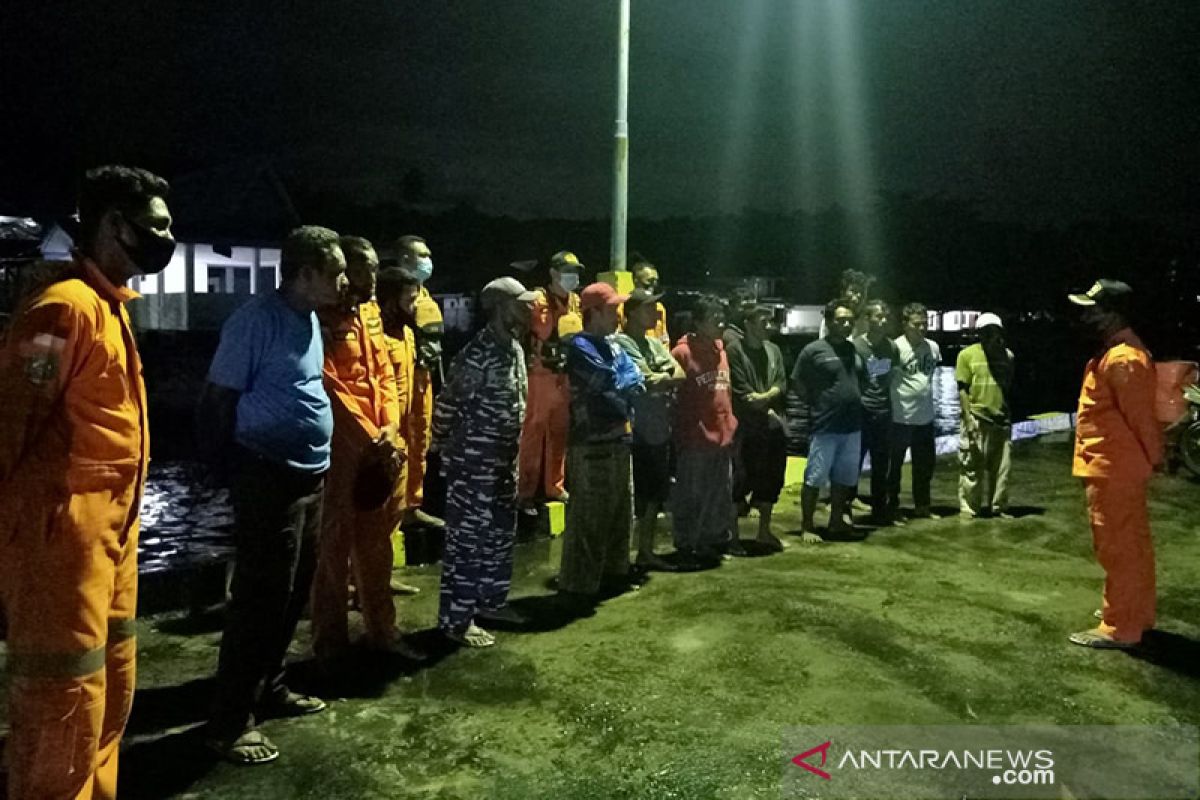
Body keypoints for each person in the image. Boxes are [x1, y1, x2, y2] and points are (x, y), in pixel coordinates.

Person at [0, 166, 171, 799]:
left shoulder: (107, 307)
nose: (168, 236)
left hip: (109, 545)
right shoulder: (62, 311)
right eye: (155, 225)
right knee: (61, 708)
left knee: (108, 693)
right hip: (59, 553)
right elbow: (10, 425)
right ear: (113, 226)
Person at [198, 226, 345, 765]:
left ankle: (271, 686)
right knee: (260, 600)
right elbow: (216, 400)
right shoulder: (253, 321)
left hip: (309, 477)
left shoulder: (308, 318)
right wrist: (224, 474)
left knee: (293, 591)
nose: (344, 281)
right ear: (304, 274)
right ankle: (229, 721)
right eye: (335, 272)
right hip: (266, 477)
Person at [310, 236, 415, 665]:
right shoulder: (319, 318)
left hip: (380, 445)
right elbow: (329, 383)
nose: (371, 279)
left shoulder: (371, 313)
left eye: (374, 269)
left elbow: (384, 374)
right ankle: (330, 646)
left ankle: (382, 632)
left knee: (377, 546)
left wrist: (390, 426)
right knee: (332, 550)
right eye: (361, 271)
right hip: (343, 448)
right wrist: (371, 434)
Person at [431, 277, 536, 647]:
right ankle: (455, 620)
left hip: (503, 462)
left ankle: (490, 602)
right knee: (468, 541)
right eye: (520, 304)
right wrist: (442, 443)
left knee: (499, 537)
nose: (528, 309)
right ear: (498, 308)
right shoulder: (479, 353)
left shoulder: (515, 349)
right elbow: (447, 405)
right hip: (474, 464)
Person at [1067, 280, 1163, 649]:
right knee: (1133, 544)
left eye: (1094, 309)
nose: (1086, 316)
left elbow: (1141, 419)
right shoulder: (1117, 354)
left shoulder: (1122, 359)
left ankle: (1121, 626)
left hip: (1113, 470)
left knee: (1118, 546)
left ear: (1114, 313)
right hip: (1116, 467)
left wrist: (1155, 458)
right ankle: (1136, 611)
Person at [559, 282, 645, 600]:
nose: (618, 316)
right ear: (593, 313)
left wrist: (623, 380)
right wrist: (622, 380)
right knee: (590, 518)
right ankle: (579, 585)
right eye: (612, 310)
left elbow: (634, 377)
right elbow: (609, 381)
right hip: (592, 443)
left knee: (620, 514)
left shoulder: (613, 345)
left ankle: (611, 576)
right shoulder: (579, 346)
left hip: (619, 439)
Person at [614, 288, 685, 571]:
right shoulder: (622, 342)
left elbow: (680, 374)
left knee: (654, 494)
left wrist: (662, 377)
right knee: (634, 497)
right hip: (635, 430)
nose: (655, 313)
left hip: (658, 429)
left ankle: (644, 552)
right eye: (648, 307)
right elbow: (644, 379)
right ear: (631, 313)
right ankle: (623, 557)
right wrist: (662, 376)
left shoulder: (654, 343)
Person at [671, 295, 739, 563]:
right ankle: (687, 544)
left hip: (722, 436)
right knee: (691, 494)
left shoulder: (720, 350)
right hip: (695, 437)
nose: (720, 322)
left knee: (719, 493)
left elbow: (725, 392)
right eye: (714, 318)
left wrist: (730, 424)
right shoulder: (682, 353)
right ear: (698, 322)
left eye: (722, 316)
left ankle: (712, 540)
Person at [792, 299, 866, 542]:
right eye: (840, 320)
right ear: (829, 321)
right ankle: (807, 525)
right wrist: (816, 403)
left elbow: (861, 377)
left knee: (843, 478)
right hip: (825, 426)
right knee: (815, 477)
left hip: (852, 425)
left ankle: (836, 521)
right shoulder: (813, 350)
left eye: (850, 321)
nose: (846, 325)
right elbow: (798, 382)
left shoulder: (852, 349)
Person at [519, 250, 584, 506]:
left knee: (560, 432)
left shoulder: (576, 302)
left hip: (565, 376)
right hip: (539, 376)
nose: (573, 277)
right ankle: (524, 490)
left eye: (576, 272)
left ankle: (554, 486)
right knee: (532, 433)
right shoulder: (536, 300)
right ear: (553, 273)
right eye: (568, 271)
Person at [375, 267, 423, 595]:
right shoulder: (376, 334)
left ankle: (381, 576)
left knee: (394, 509)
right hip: (383, 435)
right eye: (409, 297)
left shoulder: (406, 333)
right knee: (375, 515)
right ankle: (364, 581)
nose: (415, 302)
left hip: (403, 434)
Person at [726, 303, 789, 551]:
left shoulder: (773, 350)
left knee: (770, 481)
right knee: (739, 483)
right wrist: (767, 402)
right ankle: (732, 537)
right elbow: (742, 392)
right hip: (745, 429)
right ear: (748, 324)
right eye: (763, 321)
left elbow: (781, 383)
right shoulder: (735, 351)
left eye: (770, 321)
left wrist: (765, 398)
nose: (769, 326)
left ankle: (764, 531)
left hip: (770, 426)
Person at [396, 234, 445, 530]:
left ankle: (412, 506)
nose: (427, 261)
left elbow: (436, 343)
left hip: (424, 379)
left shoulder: (426, 297)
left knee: (420, 441)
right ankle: (394, 507)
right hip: (400, 378)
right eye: (421, 255)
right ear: (404, 259)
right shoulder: (392, 295)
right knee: (400, 442)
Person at [956, 312, 1015, 519]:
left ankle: (998, 507)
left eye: (995, 330)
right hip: (977, 417)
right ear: (979, 334)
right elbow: (962, 389)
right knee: (972, 467)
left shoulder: (1008, 356)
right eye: (986, 331)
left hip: (1001, 420)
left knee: (1002, 470)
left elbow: (1007, 388)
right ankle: (969, 508)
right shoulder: (966, 355)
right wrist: (968, 419)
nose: (991, 335)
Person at [888, 302, 942, 520]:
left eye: (925, 324)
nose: (922, 328)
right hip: (900, 418)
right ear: (905, 324)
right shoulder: (894, 348)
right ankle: (892, 506)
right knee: (894, 468)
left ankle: (923, 506)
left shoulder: (933, 347)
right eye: (917, 324)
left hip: (925, 418)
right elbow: (876, 373)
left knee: (925, 466)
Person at [853, 299, 900, 525]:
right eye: (877, 316)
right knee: (854, 460)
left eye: (885, 317)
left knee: (882, 464)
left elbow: (891, 373)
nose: (882, 321)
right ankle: (845, 505)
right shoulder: (856, 346)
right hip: (862, 412)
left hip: (884, 411)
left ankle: (880, 510)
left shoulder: (891, 347)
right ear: (867, 319)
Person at [621, 256, 670, 346]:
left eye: (656, 281)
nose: (654, 284)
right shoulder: (622, 306)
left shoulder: (659, 308)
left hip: (656, 354)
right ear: (635, 281)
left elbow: (664, 338)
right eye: (649, 280)